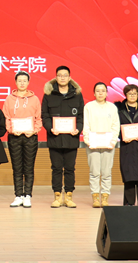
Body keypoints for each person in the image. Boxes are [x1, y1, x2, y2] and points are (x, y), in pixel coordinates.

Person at [42, 65, 84, 208]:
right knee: (56, 168)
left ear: (69, 77)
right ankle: (57, 197)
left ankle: (69, 197)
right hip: (55, 138)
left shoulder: (77, 94)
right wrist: (50, 128)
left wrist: (78, 129)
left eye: (65, 75)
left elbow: (81, 115)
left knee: (70, 168)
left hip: (71, 138)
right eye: (60, 75)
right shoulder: (49, 94)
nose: (62, 78)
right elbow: (45, 115)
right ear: (56, 77)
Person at [2, 71, 42, 208]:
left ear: (28, 82)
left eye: (25, 80)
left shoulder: (35, 99)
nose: (22, 83)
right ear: (15, 82)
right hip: (14, 137)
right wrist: (12, 130)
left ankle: (28, 195)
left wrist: (34, 131)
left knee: (29, 168)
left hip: (31, 137)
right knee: (17, 167)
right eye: (19, 80)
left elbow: (38, 118)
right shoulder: (9, 99)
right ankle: (18, 195)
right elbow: (6, 117)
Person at [115, 84, 138, 206]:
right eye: (129, 94)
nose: (132, 96)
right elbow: (116, 126)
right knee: (129, 174)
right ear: (125, 95)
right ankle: (128, 203)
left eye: (134, 93)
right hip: (127, 146)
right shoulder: (119, 109)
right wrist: (122, 136)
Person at [83, 82, 120, 207]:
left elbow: (115, 125)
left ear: (106, 93)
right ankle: (95, 198)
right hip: (92, 144)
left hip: (108, 145)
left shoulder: (112, 107)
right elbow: (86, 125)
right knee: (94, 172)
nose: (100, 93)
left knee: (106, 172)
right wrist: (88, 140)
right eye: (98, 91)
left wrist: (113, 141)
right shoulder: (89, 106)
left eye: (103, 91)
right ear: (94, 93)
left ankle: (105, 197)